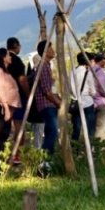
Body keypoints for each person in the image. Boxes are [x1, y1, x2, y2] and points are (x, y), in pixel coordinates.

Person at [32, 39, 61, 172]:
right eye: (51, 48)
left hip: (50, 104)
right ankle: (44, 160)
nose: (53, 50)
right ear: (45, 51)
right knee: (52, 131)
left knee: (51, 131)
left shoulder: (48, 66)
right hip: (47, 105)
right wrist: (58, 102)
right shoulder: (43, 66)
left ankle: (46, 160)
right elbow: (47, 91)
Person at [0, 47, 21, 169]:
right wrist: (6, 108)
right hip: (3, 108)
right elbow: (0, 91)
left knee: (5, 135)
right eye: (8, 55)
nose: (10, 57)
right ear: (3, 57)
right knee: (2, 136)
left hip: (8, 107)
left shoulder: (4, 71)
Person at [69, 52, 97, 143]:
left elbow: (70, 88)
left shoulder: (72, 72)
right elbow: (93, 91)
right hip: (88, 102)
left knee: (76, 128)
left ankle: (74, 149)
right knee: (90, 128)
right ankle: (91, 147)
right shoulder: (88, 73)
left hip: (76, 103)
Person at [90, 53, 105, 143]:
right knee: (102, 128)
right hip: (101, 102)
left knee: (94, 127)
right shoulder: (100, 72)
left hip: (92, 102)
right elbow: (102, 88)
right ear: (102, 60)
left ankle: (93, 147)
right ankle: (101, 150)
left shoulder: (90, 70)